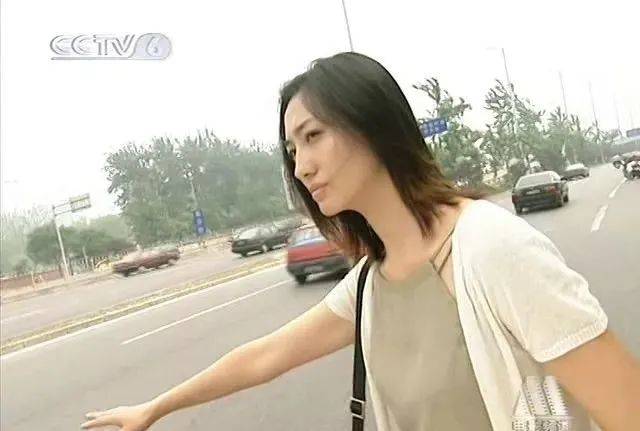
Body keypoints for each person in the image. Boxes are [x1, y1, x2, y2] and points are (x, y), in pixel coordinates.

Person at [82, 52, 640, 431]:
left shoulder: (490, 248)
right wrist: (154, 408)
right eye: (292, 150)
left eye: (313, 136)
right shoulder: (373, 281)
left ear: (373, 127)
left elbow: (625, 407)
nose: (301, 166)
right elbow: (266, 356)